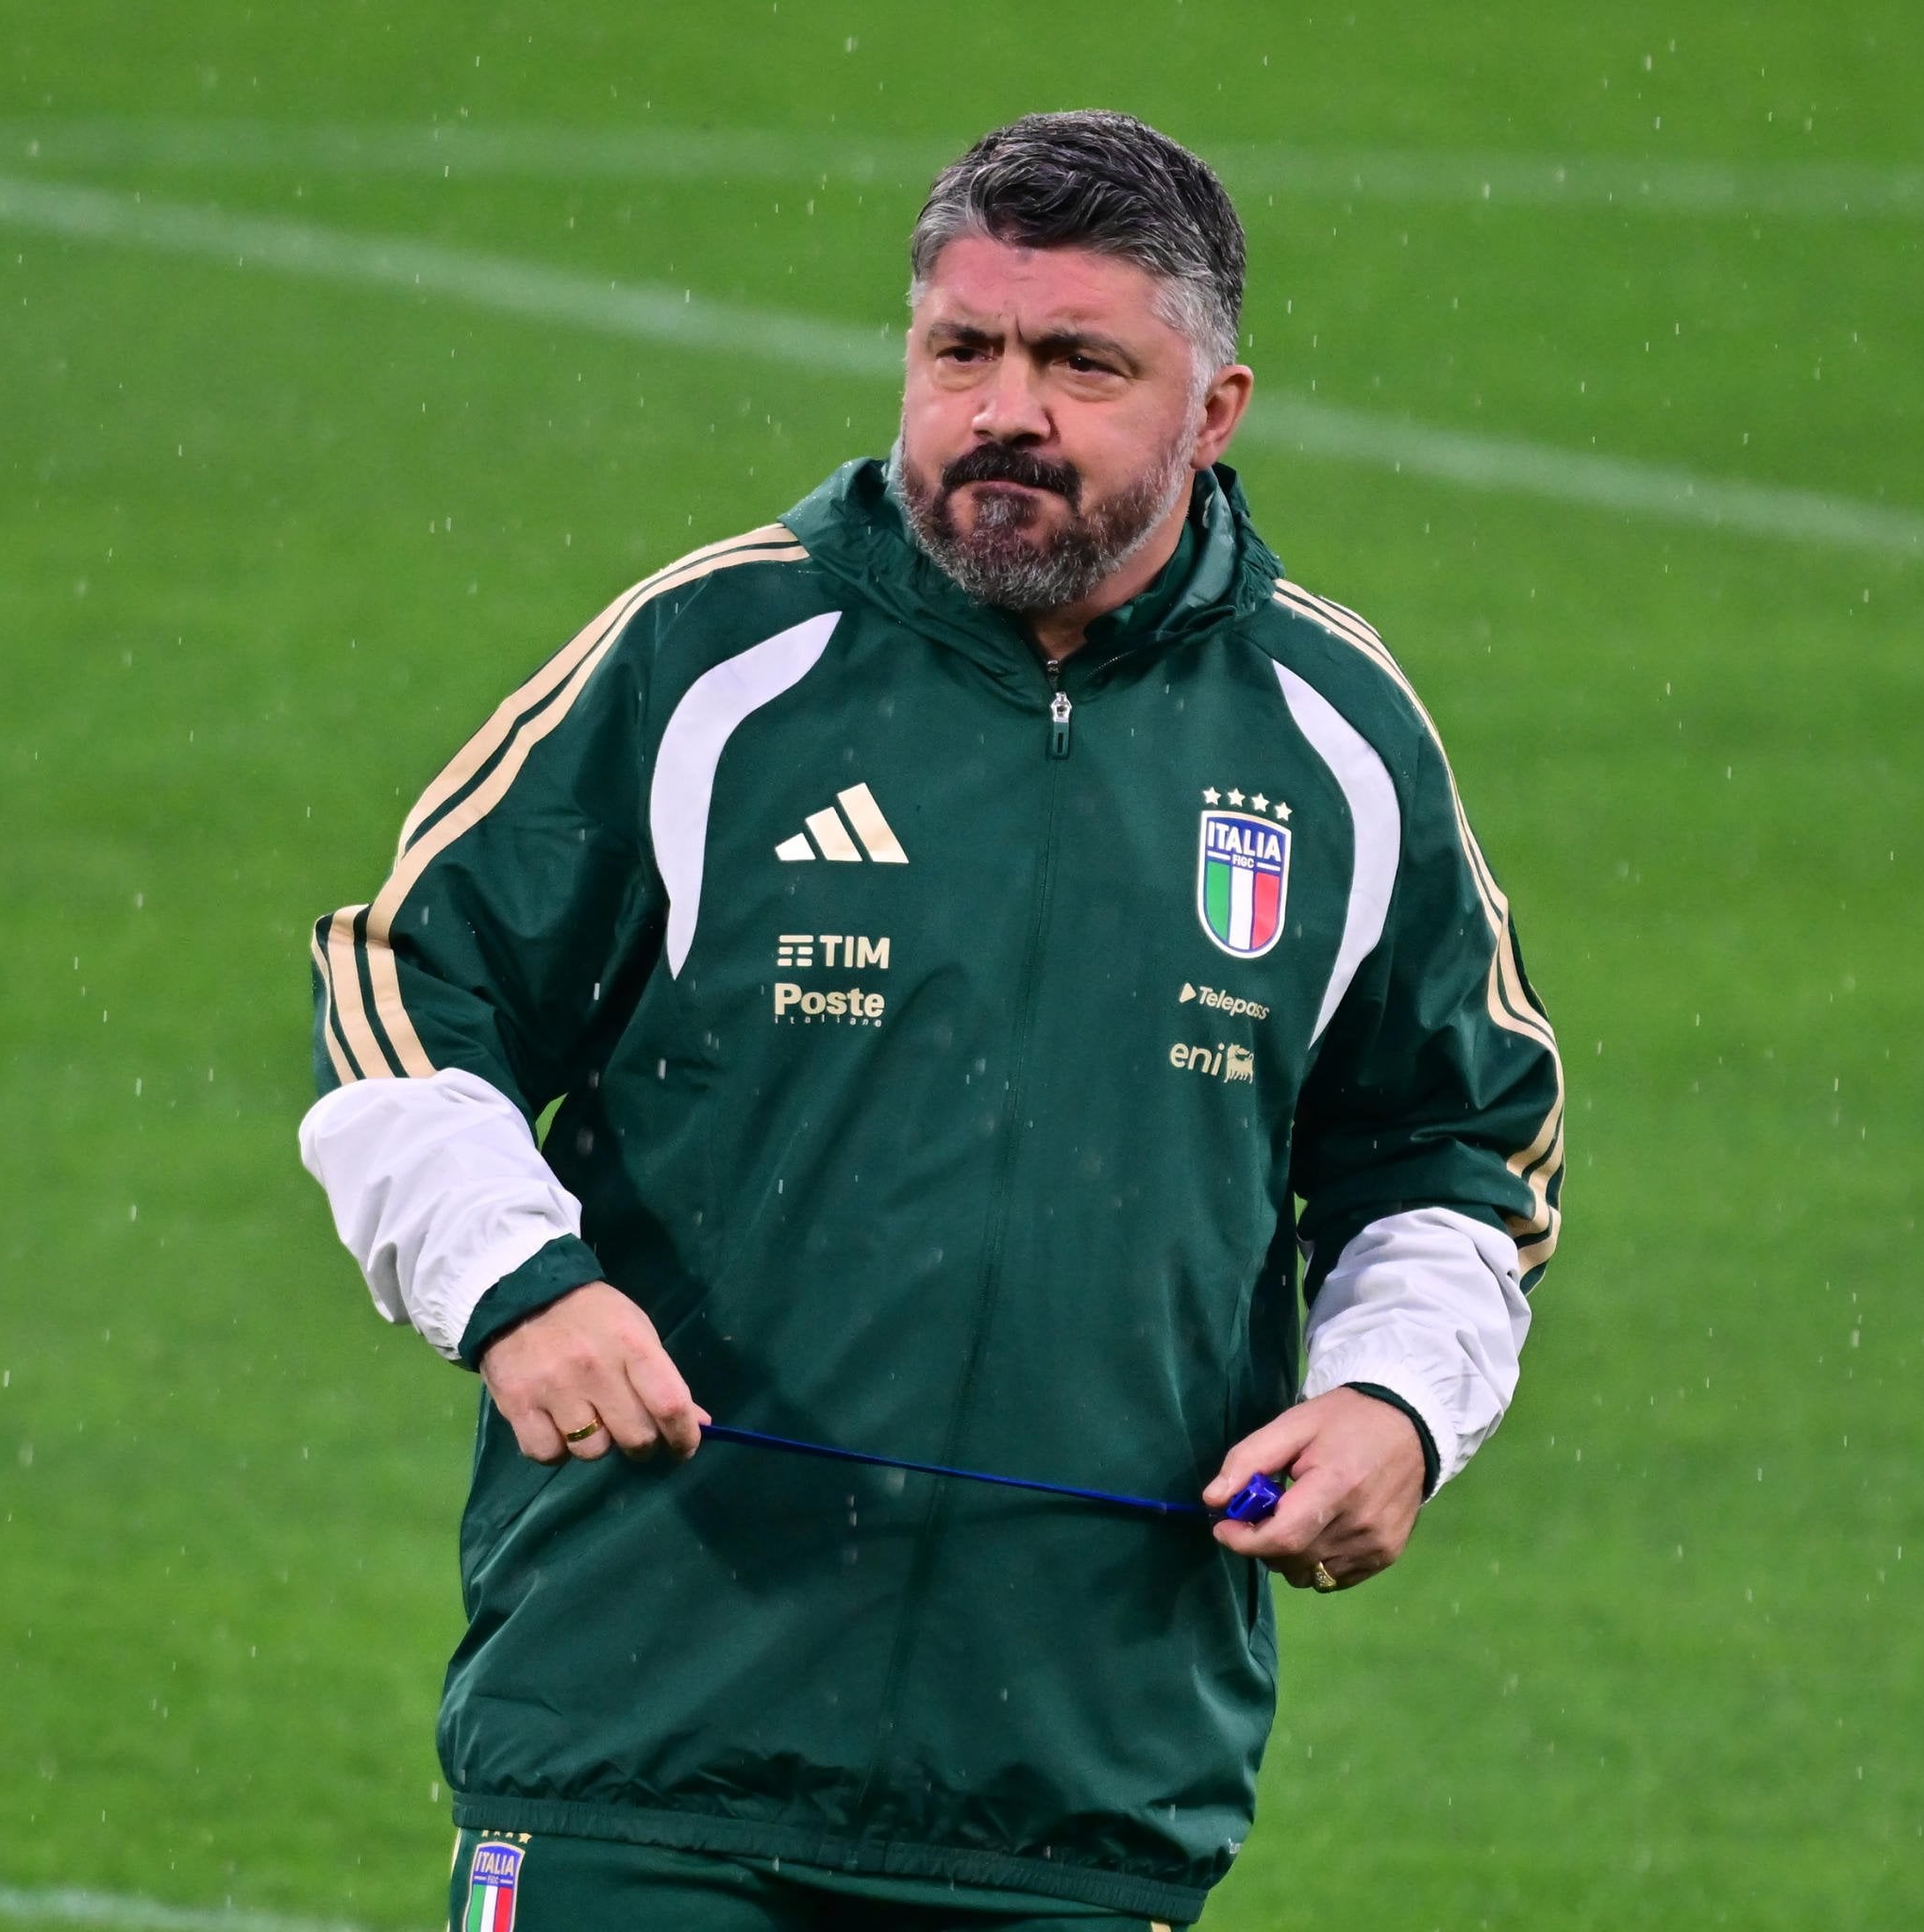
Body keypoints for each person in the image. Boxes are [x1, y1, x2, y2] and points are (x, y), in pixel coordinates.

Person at [298, 110, 1564, 1931]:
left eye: (1078, 364)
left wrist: (1394, 1402)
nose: (1003, 412)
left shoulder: (1338, 738)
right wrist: (517, 1280)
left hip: (1078, 1794)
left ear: (1213, 413)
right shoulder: (718, 663)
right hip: (646, 1756)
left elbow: (1452, 1150)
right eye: (959, 350)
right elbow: (409, 990)